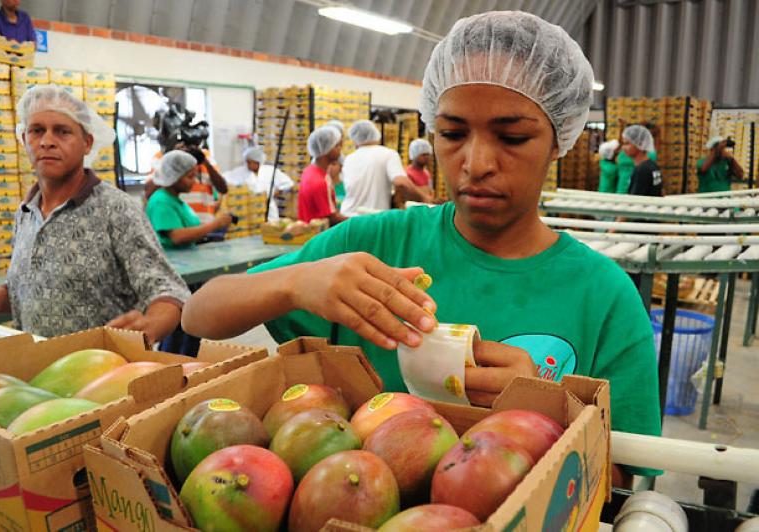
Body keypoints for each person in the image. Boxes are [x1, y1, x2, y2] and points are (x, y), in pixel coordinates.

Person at [182, 11, 660, 487]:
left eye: (512, 137)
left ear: (560, 139)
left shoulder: (603, 298)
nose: (475, 163)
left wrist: (540, 414)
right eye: (452, 134)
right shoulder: (373, 245)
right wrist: (294, 282)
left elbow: (623, 482)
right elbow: (199, 315)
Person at [0, 86, 190, 343]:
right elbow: (19, 295)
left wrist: (150, 325)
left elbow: (169, 289)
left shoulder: (115, 209)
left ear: (87, 143)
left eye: (62, 131)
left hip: (102, 372)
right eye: (37, 131)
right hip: (38, 372)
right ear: (25, 140)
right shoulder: (26, 213)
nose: (47, 141)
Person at [146, 150, 233, 250]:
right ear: (174, 176)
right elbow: (177, 237)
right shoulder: (161, 202)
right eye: (190, 176)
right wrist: (215, 224)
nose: (194, 181)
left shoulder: (176, 201)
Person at [340, 120, 429, 215]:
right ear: (375, 133)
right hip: (373, 217)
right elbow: (401, 182)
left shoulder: (349, 158)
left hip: (348, 216)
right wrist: (424, 197)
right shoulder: (388, 154)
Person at [224, 147, 295, 221]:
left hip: (268, 207)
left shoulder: (269, 171)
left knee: (271, 228)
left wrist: (278, 191)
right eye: (247, 162)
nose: (248, 165)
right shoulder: (241, 172)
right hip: (250, 209)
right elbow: (225, 178)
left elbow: (288, 183)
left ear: (257, 162)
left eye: (250, 162)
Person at [297, 126, 346, 225]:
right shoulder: (321, 181)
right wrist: (358, 222)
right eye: (337, 146)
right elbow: (332, 218)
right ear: (327, 150)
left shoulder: (309, 171)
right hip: (319, 235)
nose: (340, 149)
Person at [622, 125, 663, 197]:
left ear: (640, 144)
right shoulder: (652, 165)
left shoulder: (641, 170)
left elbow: (635, 200)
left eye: (627, 144)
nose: (623, 147)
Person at [396, 138, 435, 207]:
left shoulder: (426, 173)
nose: (427, 157)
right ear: (414, 155)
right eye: (423, 155)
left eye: (428, 154)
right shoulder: (407, 173)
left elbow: (430, 192)